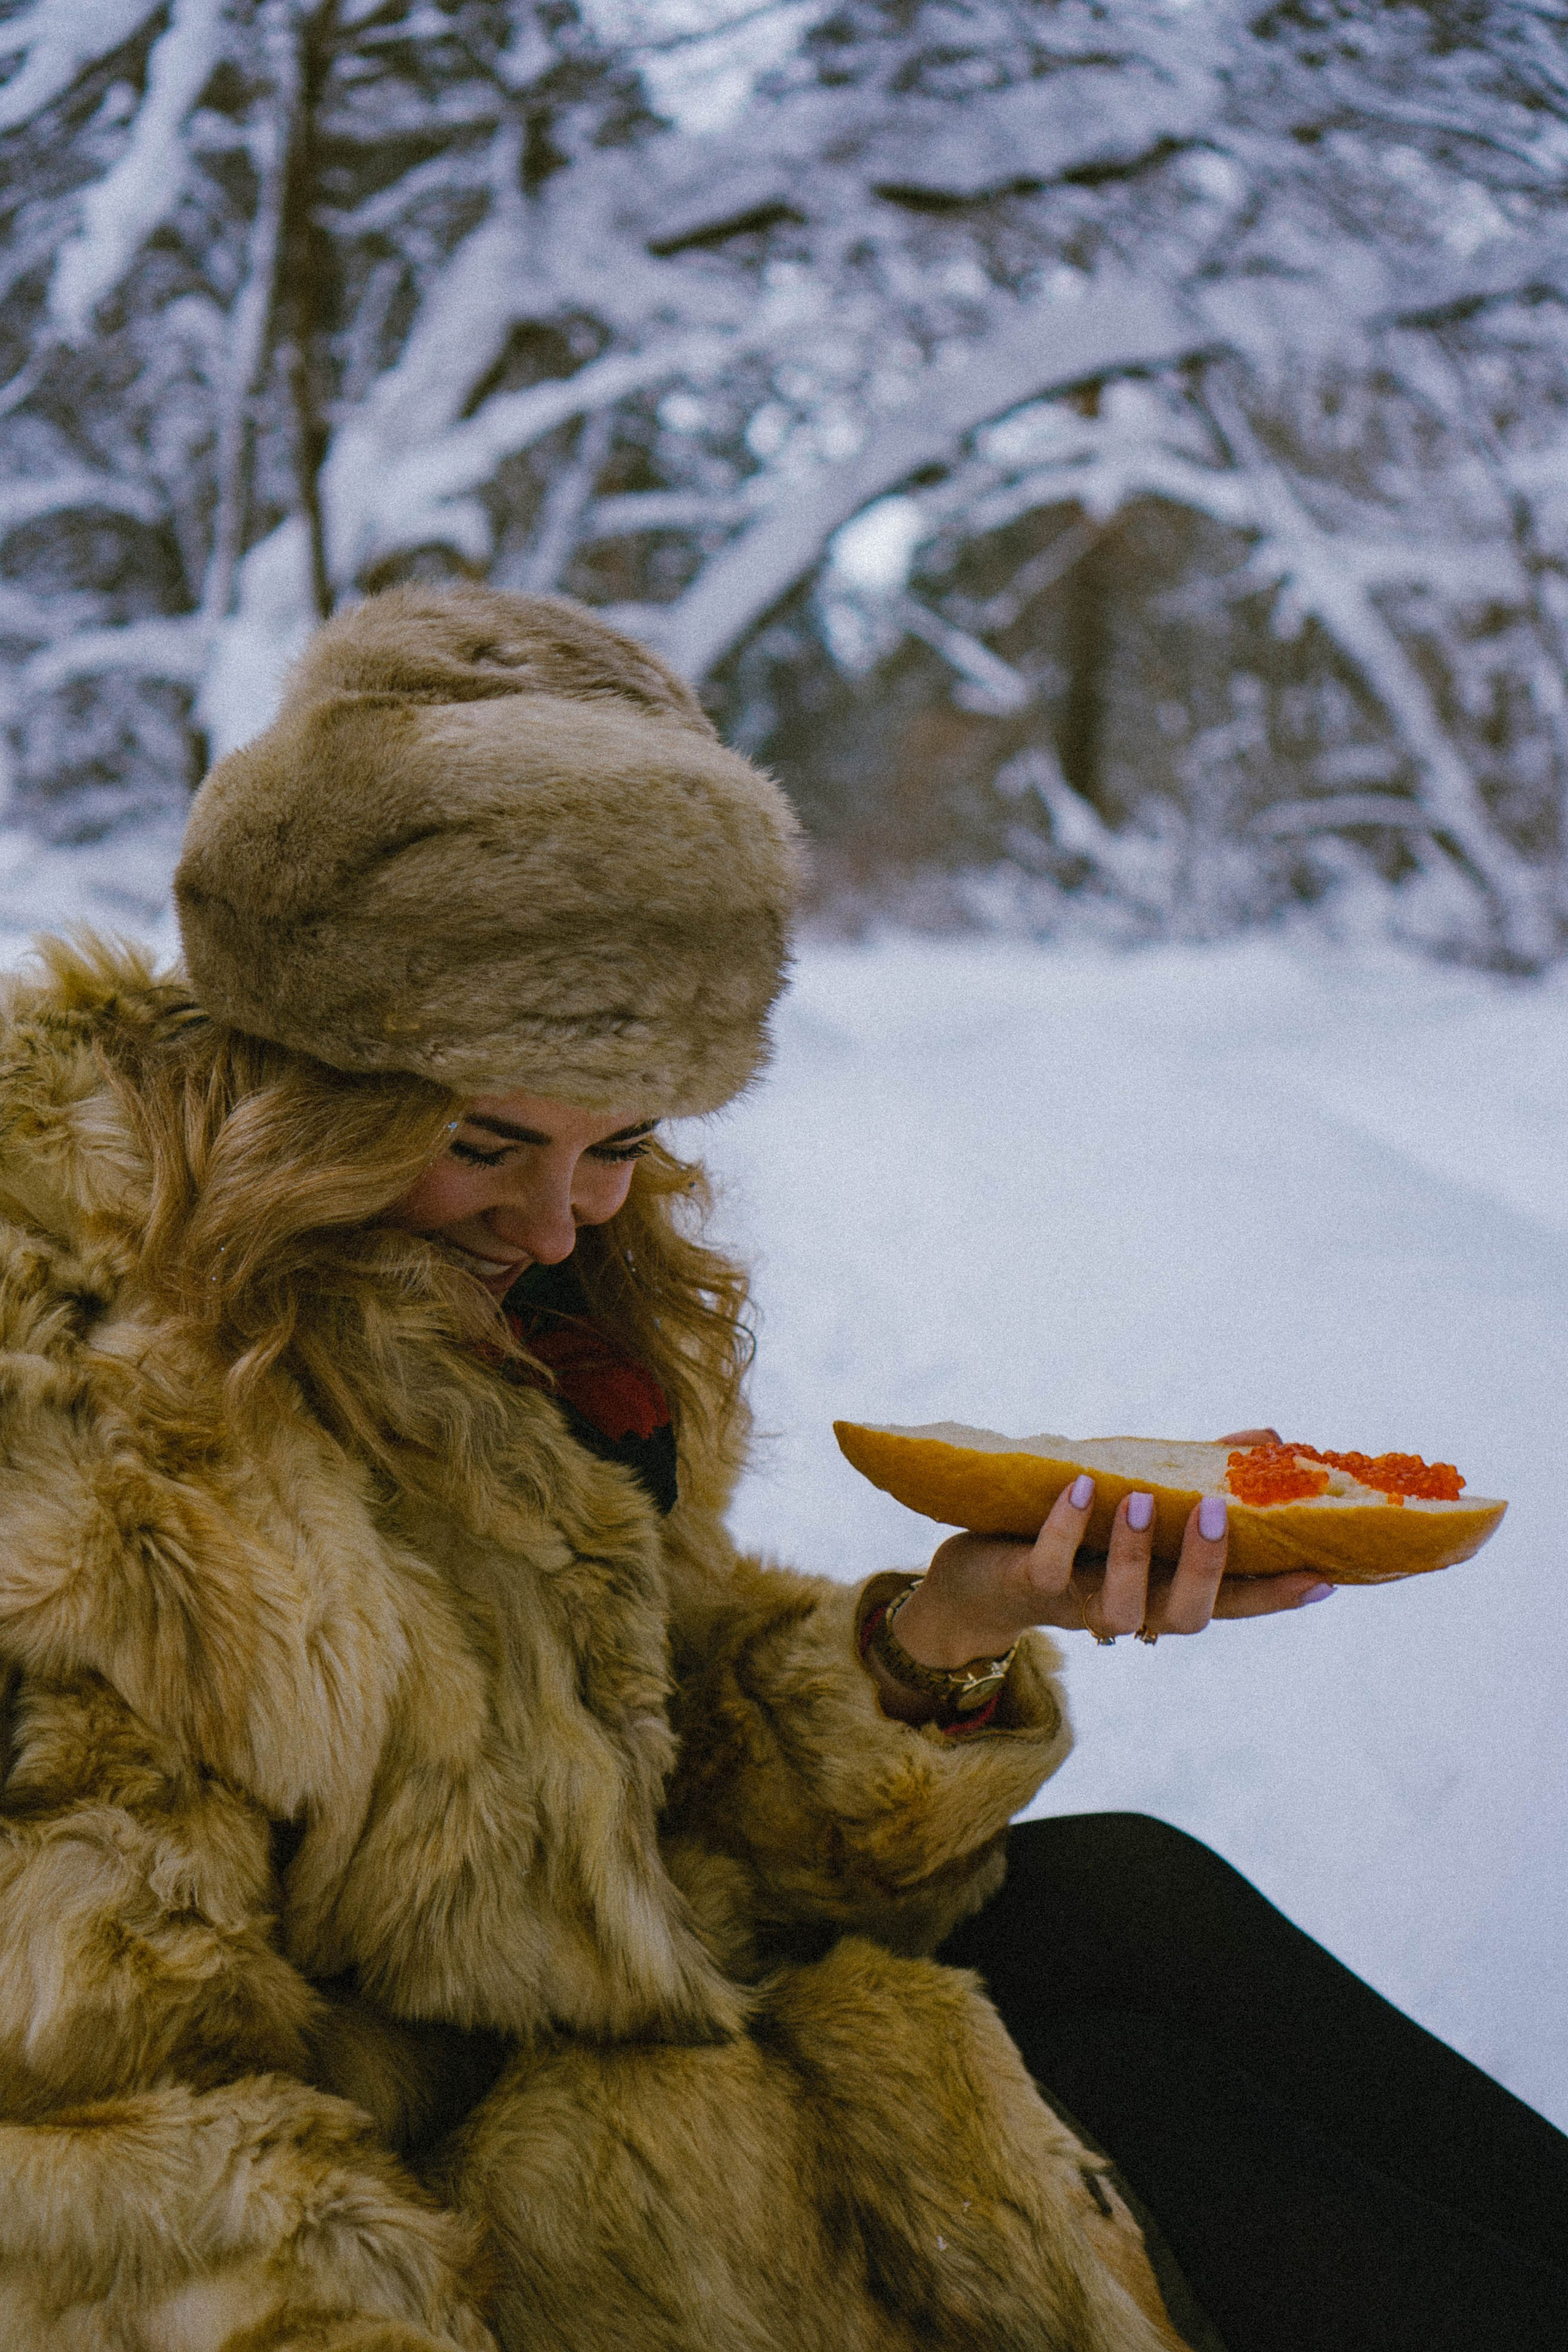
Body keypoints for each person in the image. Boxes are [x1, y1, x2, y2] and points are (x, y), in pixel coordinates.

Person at [0, 585, 1555, 2352]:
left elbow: (640, 1821)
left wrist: (936, 1639)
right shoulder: (98, 1465)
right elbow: (95, 2158)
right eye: (488, 1140)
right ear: (304, 1078)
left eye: (626, 1142)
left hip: (611, 2044)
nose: (563, 1214)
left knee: (1131, 1903)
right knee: (1147, 2150)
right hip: (467, 2213)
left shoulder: (510, 1318)